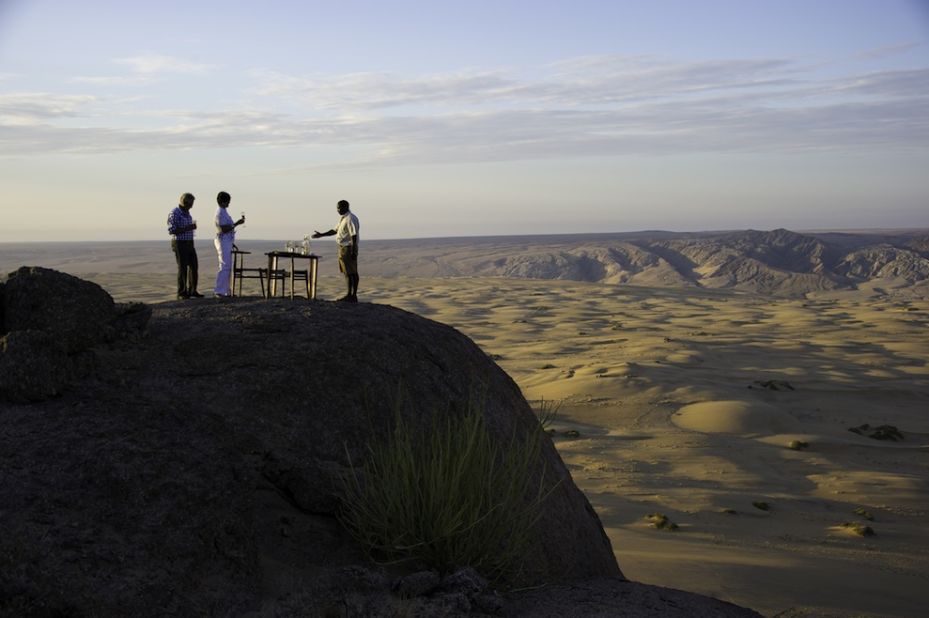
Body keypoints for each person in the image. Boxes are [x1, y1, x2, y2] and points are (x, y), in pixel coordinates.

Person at [312, 199, 360, 302]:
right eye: (337, 208)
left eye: (340, 208)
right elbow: (335, 230)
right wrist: (321, 235)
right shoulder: (343, 218)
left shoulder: (350, 218)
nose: (338, 210)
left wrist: (353, 250)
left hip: (348, 247)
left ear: (346, 207)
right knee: (347, 272)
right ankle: (350, 295)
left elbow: (353, 235)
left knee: (352, 272)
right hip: (342, 248)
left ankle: (352, 295)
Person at [167, 192, 202, 299]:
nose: (192, 205)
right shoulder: (175, 213)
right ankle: (182, 292)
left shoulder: (187, 213)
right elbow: (171, 230)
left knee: (194, 267)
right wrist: (189, 228)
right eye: (191, 203)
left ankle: (192, 290)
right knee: (183, 268)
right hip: (180, 243)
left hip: (189, 243)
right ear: (185, 202)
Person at [213, 191, 245, 297]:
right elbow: (223, 229)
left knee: (227, 266)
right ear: (222, 202)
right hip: (223, 240)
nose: (229, 204)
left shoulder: (223, 212)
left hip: (227, 241)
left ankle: (226, 290)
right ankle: (219, 290)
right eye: (227, 201)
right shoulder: (220, 213)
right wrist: (236, 224)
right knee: (224, 265)